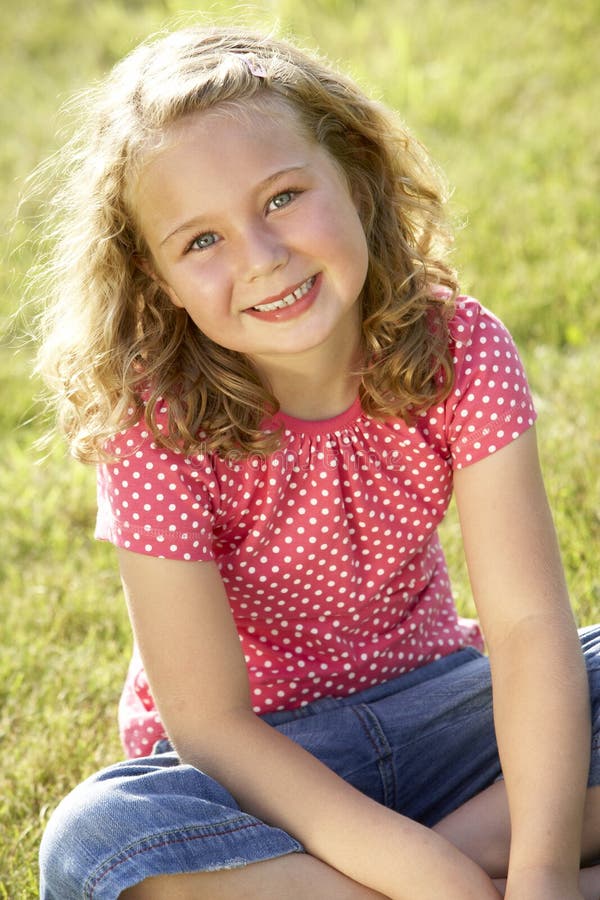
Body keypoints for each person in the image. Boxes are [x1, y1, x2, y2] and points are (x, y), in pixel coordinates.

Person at [34, 24, 600, 900]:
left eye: (282, 197)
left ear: (358, 177)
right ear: (158, 283)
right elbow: (211, 725)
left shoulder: (459, 348)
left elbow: (528, 634)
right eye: (201, 242)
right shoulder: (156, 425)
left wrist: (545, 871)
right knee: (97, 841)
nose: (262, 259)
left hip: (445, 713)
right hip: (258, 774)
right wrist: (433, 876)